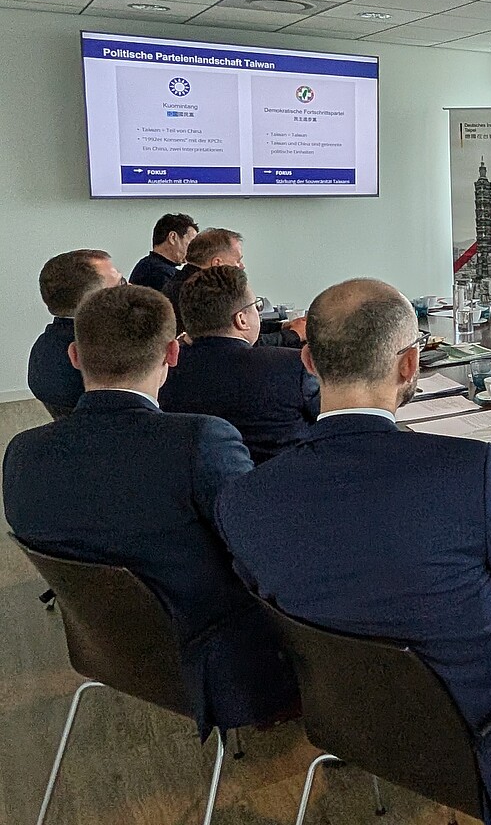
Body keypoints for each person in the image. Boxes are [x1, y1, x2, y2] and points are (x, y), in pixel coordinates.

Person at [216, 279, 491, 823]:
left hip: (346, 709)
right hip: (486, 708)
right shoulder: (473, 470)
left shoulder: (242, 500)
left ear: (307, 361)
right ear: (410, 366)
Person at [5, 285, 295, 734]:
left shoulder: (22, 452)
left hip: (102, 649)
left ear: (74, 356)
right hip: (220, 665)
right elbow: (263, 546)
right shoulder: (200, 441)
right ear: (173, 353)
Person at [159, 265, 320, 463]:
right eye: (256, 307)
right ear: (242, 319)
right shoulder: (293, 366)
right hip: (281, 478)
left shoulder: (165, 370)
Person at [164, 227, 304, 345]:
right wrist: (293, 335)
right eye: (237, 260)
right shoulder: (202, 292)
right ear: (217, 263)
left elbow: (237, 327)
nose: (242, 266)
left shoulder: (184, 281)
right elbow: (234, 344)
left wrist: (282, 326)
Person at [27, 249, 124, 419]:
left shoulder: (43, 347)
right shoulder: (107, 354)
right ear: (91, 302)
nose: (131, 288)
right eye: (120, 284)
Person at [130, 212, 198, 291]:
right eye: (191, 244)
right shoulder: (160, 273)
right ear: (173, 237)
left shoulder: (146, 265)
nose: (194, 249)